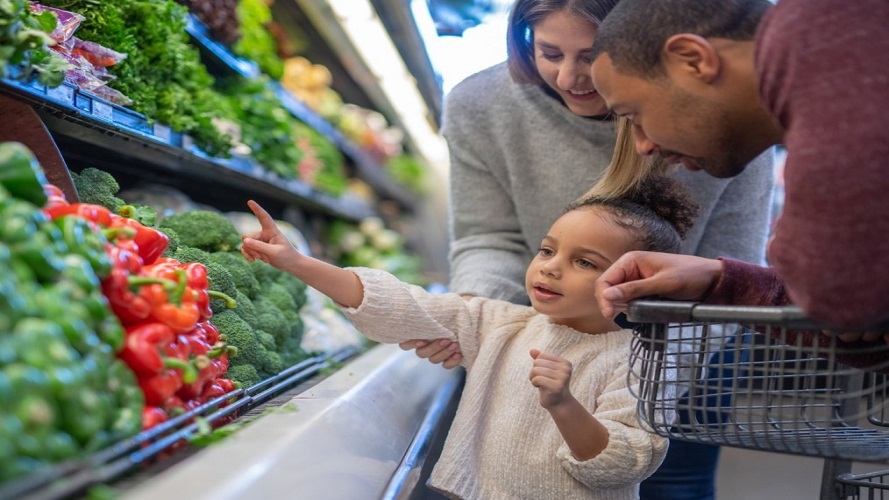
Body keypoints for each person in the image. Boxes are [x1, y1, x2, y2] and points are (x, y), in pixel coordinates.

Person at [401, 0, 775, 497]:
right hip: (546, 339)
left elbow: (731, 273)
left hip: (688, 344)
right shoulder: (480, 103)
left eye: (593, 54)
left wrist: (644, 388)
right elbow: (488, 235)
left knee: (673, 484)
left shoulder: (720, 109)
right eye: (549, 52)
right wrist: (472, 318)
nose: (570, 77)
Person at [239, 174, 696, 499]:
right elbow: (401, 305)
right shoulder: (501, 323)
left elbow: (624, 463)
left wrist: (563, 404)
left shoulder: (642, 361)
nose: (551, 266)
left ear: (631, 281)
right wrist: (298, 264)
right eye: (548, 249)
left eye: (585, 262)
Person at [589, 0, 889, 330]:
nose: (643, 146)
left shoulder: (840, 98)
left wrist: (839, 305)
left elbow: (839, 300)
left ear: (692, 60)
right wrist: (718, 280)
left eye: (634, 115)